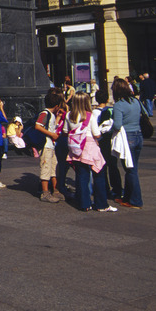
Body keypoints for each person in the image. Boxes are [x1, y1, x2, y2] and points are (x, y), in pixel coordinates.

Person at [65, 91, 118, 213]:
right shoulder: (90, 116)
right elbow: (97, 134)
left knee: (82, 176)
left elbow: (65, 131)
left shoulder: (69, 115)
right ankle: (101, 204)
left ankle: (84, 204)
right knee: (99, 174)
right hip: (90, 147)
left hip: (76, 148)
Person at [112, 77, 144, 208]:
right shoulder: (135, 101)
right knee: (132, 168)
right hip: (138, 135)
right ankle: (127, 197)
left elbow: (117, 125)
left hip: (127, 137)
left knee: (130, 170)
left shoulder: (118, 105)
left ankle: (136, 200)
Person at [34, 92, 63, 202]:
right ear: (56, 106)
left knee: (53, 167)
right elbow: (38, 126)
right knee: (46, 168)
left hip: (51, 145)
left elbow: (51, 126)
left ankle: (55, 190)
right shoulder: (44, 113)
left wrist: (58, 117)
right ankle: (45, 193)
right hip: (46, 145)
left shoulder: (51, 114)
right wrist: (52, 135)